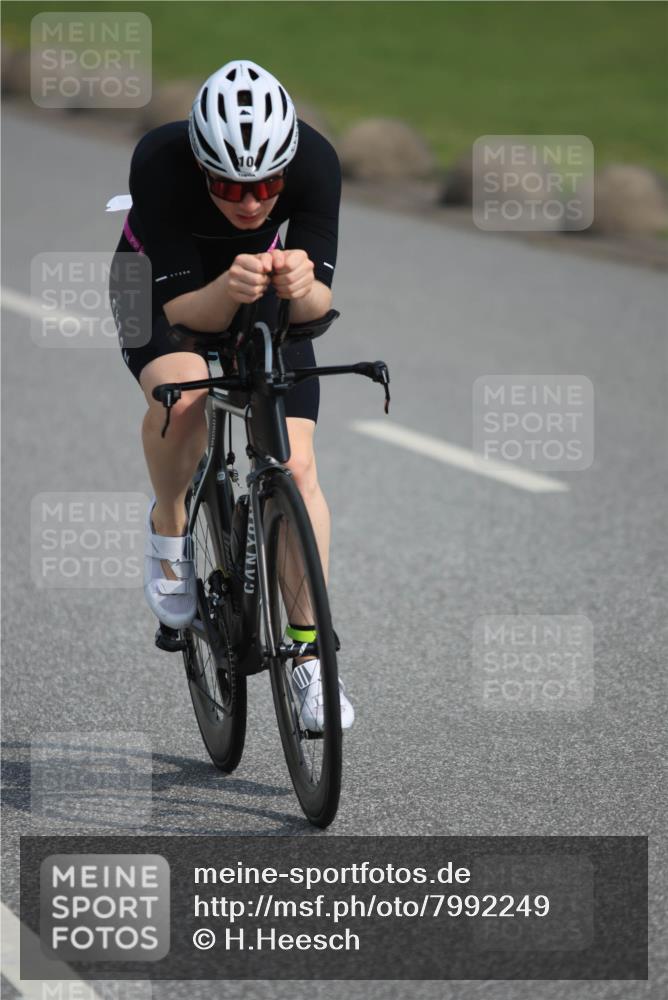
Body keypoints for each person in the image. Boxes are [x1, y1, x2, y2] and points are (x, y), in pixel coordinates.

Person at [109, 59, 353, 730]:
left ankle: (308, 661)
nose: (250, 203)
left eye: (266, 184)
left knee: (298, 468)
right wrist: (228, 291)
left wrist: (301, 287)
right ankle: (169, 525)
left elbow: (317, 308)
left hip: (258, 290)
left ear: (288, 165)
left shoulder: (316, 163)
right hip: (159, 287)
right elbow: (187, 314)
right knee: (183, 396)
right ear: (200, 164)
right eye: (228, 184)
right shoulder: (159, 161)